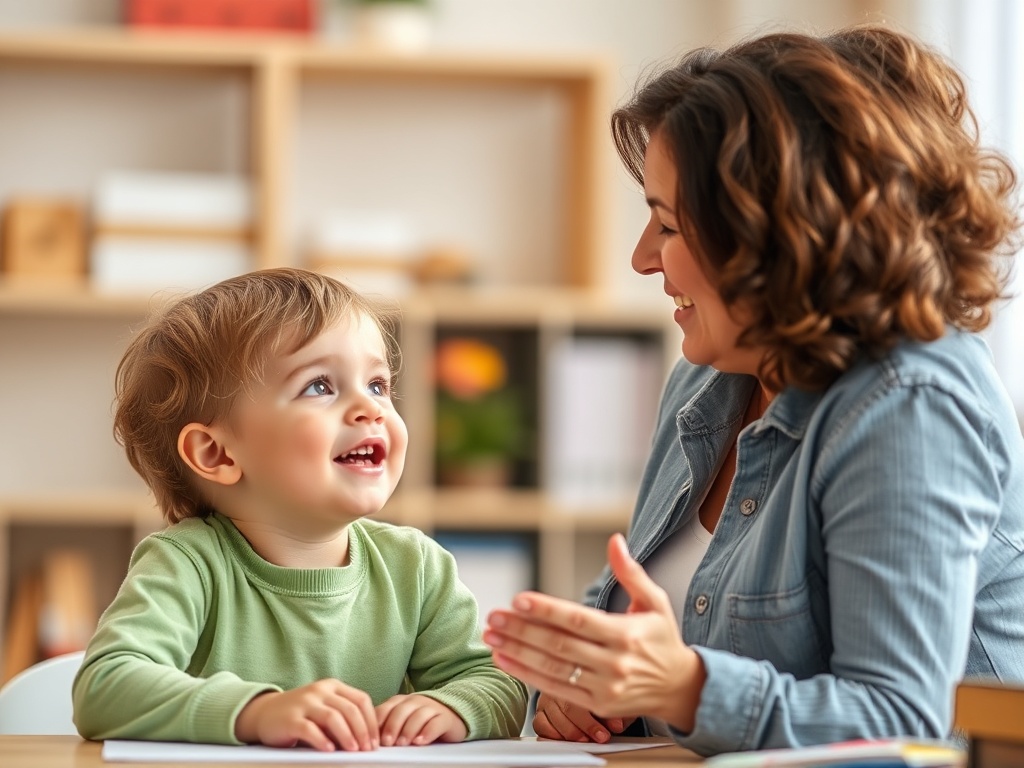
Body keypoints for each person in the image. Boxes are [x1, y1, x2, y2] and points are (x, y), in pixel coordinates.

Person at [482, 24, 1024, 755]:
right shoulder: (708, 379)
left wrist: (680, 688)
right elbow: (642, 617)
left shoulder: (909, 407)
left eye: (667, 224)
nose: (641, 258)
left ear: (779, 238)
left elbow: (902, 720)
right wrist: (585, 685)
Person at [73, 267, 527, 751]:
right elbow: (105, 687)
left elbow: (498, 685)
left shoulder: (416, 567)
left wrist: (450, 707)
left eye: (377, 385)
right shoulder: (187, 565)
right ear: (217, 454)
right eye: (319, 386)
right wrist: (256, 712)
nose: (370, 408)